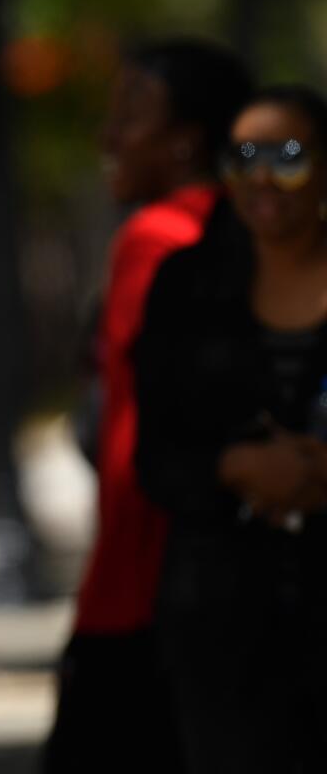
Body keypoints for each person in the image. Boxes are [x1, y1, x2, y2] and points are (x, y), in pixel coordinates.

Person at [43, 40, 253, 774]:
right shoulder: (255, 239)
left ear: (187, 141)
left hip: (141, 593)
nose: (108, 135)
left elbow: (131, 440)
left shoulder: (156, 237)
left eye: (130, 114)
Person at [134, 85, 327, 774]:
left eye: (289, 155)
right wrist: (237, 467)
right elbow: (152, 455)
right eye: (244, 156)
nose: (263, 177)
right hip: (222, 620)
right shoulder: (187, 285)